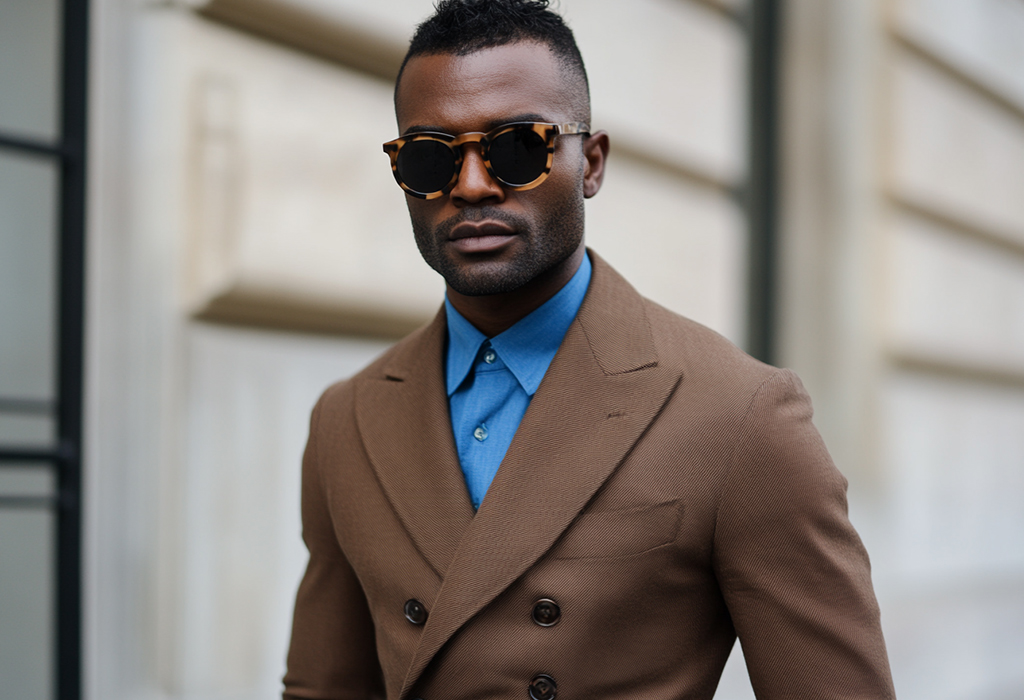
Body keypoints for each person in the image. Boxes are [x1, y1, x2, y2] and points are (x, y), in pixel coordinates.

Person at [283, 1, 896, 698]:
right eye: (431, 158)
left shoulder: (740, 415)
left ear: (592, 162)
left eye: (517, 147)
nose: (473, 185)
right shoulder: (347, 420)